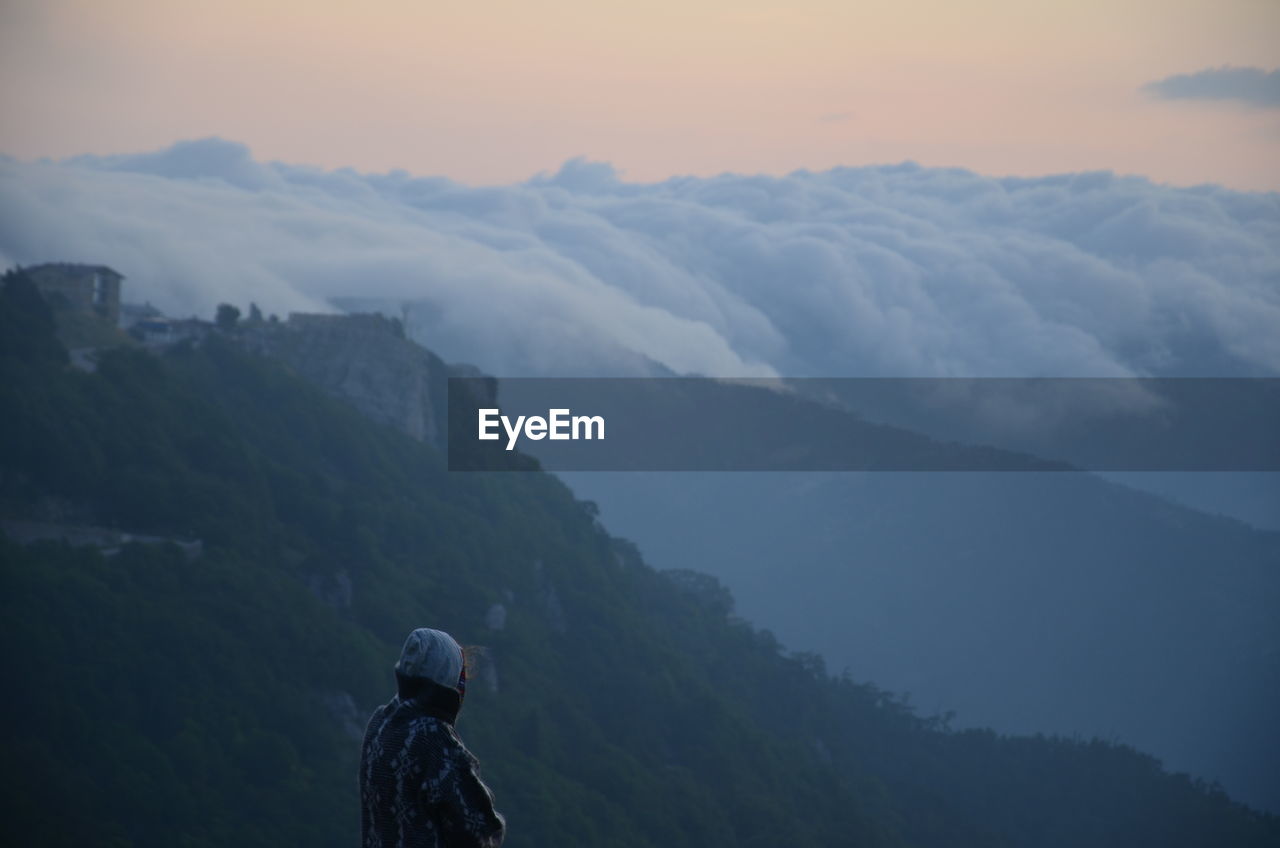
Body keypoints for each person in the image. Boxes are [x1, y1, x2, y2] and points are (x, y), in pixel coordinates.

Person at [360, 627, 506, 848]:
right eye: (460, 676)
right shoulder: (434, 738)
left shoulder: (380, 723)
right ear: (447, 679)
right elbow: (478, 831)